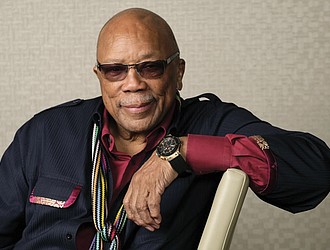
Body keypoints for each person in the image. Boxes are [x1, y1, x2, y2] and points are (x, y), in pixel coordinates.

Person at [0, 7, 330, 250]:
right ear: (99, 76)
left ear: (178, 72)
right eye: (115, 70)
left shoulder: (211, 123)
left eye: (150, 67)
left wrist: (180, 152)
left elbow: (315, 169)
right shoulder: (44, 132)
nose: (132, 84)